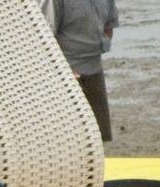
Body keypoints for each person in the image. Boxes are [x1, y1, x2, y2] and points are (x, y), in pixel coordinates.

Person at [45, 0, 114, 143]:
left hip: (94, 68)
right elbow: (45, 37)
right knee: (69, 137)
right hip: (64, 74)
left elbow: (109, 25)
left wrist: (103, 42)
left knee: (98, 135)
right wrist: (63, 71)